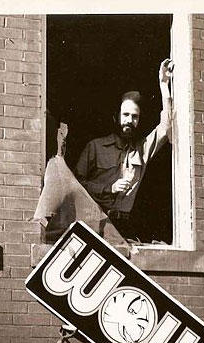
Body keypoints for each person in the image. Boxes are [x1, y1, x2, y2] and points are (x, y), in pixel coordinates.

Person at [74, 58, 173, 240]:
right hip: (95, 223)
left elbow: (165, 127)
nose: (129, 120)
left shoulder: (142, 150)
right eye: (125, 114)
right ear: (116, 117)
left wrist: (164, 84)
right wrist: (109, 188)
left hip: (123, 228)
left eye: (135, 117)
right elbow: (75, 184)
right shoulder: (95, 147)